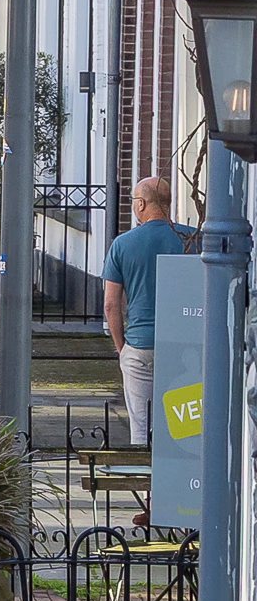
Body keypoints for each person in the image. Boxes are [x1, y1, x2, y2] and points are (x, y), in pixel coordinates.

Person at [101, 176, 194, 446]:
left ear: (141, 204)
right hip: (183, 347)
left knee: (141, 430)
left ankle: (146, 474)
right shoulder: (192, 240)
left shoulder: (122, 244)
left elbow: (110, 304)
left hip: (140, 346)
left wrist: (122, 349)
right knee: (184, 429)